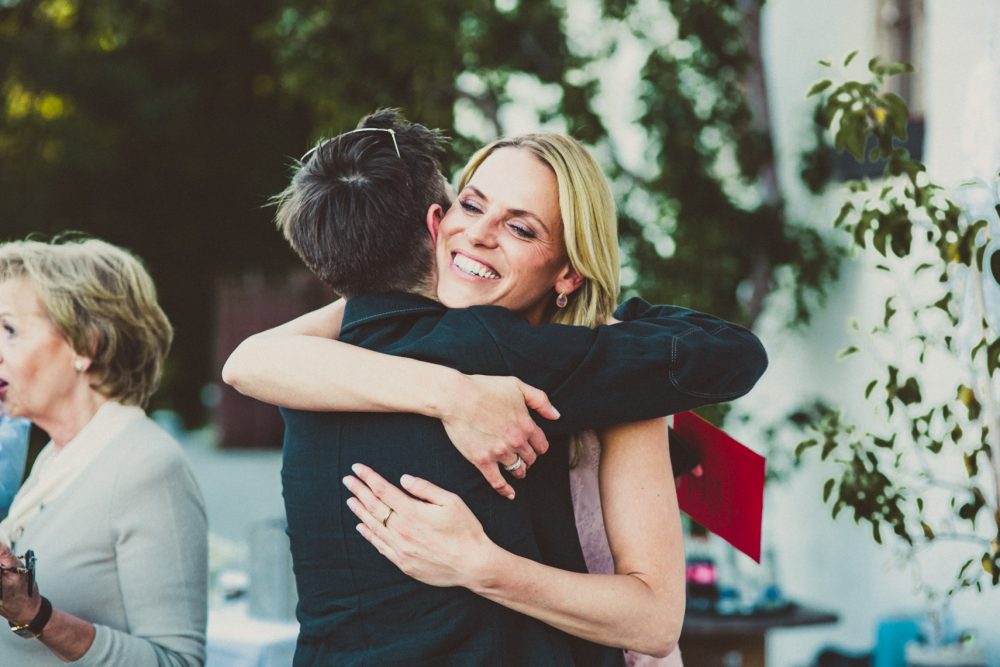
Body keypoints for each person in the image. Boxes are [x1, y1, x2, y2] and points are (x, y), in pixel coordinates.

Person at [223, 110, 766, 666]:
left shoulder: (612, 373)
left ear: (569, 273)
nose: (479, 233)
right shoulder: (351, 366)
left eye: (521, 227)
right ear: (437, 222)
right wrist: (452, 392)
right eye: (473, 204)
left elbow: (249, 359)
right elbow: (249, 360)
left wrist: (483, 565)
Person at [0, 237, 208, 667]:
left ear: (86, 345)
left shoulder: (147, 466)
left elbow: (178, 662)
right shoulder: (54, 458)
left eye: (10, 330)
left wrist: (34, 615)